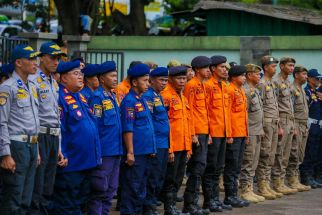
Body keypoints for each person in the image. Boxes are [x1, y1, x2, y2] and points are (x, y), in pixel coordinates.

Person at [51, 60, 101, 215]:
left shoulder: (80, 96)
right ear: (63, 78)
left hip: (86, 163)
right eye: (75, 73)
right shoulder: (60, 98)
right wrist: (62, 152)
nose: (81, 77)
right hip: (71, 164)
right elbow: (59, 128)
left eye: (81, 73)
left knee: (80, 203)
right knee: (68, 205)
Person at [28, 42, 68, 215]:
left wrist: (58, 147)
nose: (56, 61)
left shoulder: (53, 82)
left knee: (48, 187)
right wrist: (36, 146)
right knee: (37, 186)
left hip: (53, 137)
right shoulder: (33, 81)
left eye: (58, 58)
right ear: (41, 58)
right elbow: (32, 116)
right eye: (52, 57)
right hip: (40, 136)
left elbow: (55, 118)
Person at [0, 44, 40, 214]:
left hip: (32, 146)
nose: (35, 62)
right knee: (14, 197)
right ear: (18, 62)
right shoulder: (8, 87)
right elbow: (1, 122)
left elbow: (33, 119)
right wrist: (6, 154)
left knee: (26, 199)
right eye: (30, 59)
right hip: (17, 146)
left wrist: (37, 149)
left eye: (35, 58)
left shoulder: (32, 86)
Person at [119, 63, 156, 215]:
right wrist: (130, 152)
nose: (148, 84)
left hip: (145, 152)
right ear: (134, 82)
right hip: (137, 153)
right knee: (132, 188)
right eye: (145, 80)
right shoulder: (129, 101)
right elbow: (128, 128)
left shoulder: (140, 99)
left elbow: (147, 127)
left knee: (141, 188)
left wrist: (152, 148)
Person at [88, 61, 123, 215]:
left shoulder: (112, 96)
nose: (115, 78)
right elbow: (94, 127)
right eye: (112, 76)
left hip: (116, 150)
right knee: (99, 189)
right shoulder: (97, 98)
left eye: (116, 75)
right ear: (102, 79)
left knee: (111, 189)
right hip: (104, 151)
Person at [160, 65, 192, 215]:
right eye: (179, 78)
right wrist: (170, 148)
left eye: (184, 78)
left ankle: (172, 206)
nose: (182, 81)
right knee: (171, 179)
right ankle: (169, 208)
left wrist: (189, 148)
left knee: (179, 179)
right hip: (173, 146)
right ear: (171, 79)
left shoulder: (183, 97)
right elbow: (166, 125)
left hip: (183, 145)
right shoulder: (166, 96)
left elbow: (186, 123)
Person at [202, 55, 232, 212]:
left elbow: (227, 112)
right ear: (213, 68)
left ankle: (216, 199)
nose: (225, 70)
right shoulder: (208, 86)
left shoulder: (225, 86)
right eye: (222, 67)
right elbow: (206, 111)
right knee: (211, 167)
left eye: (226, 68)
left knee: (219, 167)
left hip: (224, 132)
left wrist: (229, 133)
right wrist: (209, 134)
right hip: (213, 133)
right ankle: (208, 201)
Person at [183, 56, 211, 215]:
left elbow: (203, 112)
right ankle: (189, 203)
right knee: (197, 167)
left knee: (201, 167)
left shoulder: (202, 85)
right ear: (197, 70)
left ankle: (193, 202)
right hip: (196, 133)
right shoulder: (191, 86)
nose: (208, 70)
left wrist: (209, 133)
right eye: (205, 67)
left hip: (203, 132)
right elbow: (190, 112)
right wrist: (193, 133)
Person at [142, 67, 170, 215]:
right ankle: (148, 206)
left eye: (166, 80)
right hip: (156, 143)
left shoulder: (158, 96)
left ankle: (151, 204)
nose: (164, 83)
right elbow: (149, 122)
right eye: (161, 80)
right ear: (152, 80)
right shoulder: (148, 96)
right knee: (153, 177)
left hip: (164, 143)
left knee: (160, 176)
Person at [255, 56, 282, 200]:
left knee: (271, 154)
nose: (275, 69)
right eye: (273, 66)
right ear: (266, 67)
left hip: (274, 122)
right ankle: (262, 185)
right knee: (264, 154)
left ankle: (267, 184)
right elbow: (260, 106)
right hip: (266, 123)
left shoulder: (271, 83)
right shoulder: (261, 84)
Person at [223, 65, 250, 208]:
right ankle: (230, 196)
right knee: (231, 166)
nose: (245, 77)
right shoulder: (229, 90)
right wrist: (229, 134)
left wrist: (246, 134)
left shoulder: (240, 90)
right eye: (242, 75)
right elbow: (227, 114)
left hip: (241, 133)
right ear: (233, 77)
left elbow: (242, 115)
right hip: (233, 134)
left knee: (237, 166)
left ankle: (234, 195)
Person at [271, 57, 298, 195]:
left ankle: (281, 181)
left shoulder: (288, 82)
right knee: (279, 153)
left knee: (287, 153)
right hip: (281, 120)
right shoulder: (275, 82)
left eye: (293, 66)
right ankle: (276, 182)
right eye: (289, 65)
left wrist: (293, 125)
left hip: (290, 120)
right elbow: (275, 104)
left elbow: (290, 104)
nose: (292, 68)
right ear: (282, 66)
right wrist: (280, 125)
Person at [239, 64, 265, 203]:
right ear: (249, 75)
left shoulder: (255, 90)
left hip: (257, 130)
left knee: (254, 161)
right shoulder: (245, 91)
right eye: (257, 74)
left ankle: (250, 189)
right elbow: (244, 115)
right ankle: (245, 190)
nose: (260, 76)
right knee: (248, 161)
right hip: (250, 131)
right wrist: (246, 134)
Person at [287, 66, 311, 192]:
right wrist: (293, 126)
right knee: (294, 153)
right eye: (304, 74)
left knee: (300, 154)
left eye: (306, 74)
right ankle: (291, 180)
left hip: (303, 125)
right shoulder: (292, 89)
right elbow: (290, 109)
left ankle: (295, 179)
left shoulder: (301, 89)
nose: (306, 77)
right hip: (295, 124)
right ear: (296, 75)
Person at [300, 69, 322, 188]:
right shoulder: (306, 92)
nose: (318, 81)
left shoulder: (316, 92)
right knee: (309, 152)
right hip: (310, 125)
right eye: (316, 78)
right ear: (309, 78)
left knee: (315, 152)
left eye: (319, 79)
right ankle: (306, 177)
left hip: (318, 125)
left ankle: (313, 176)